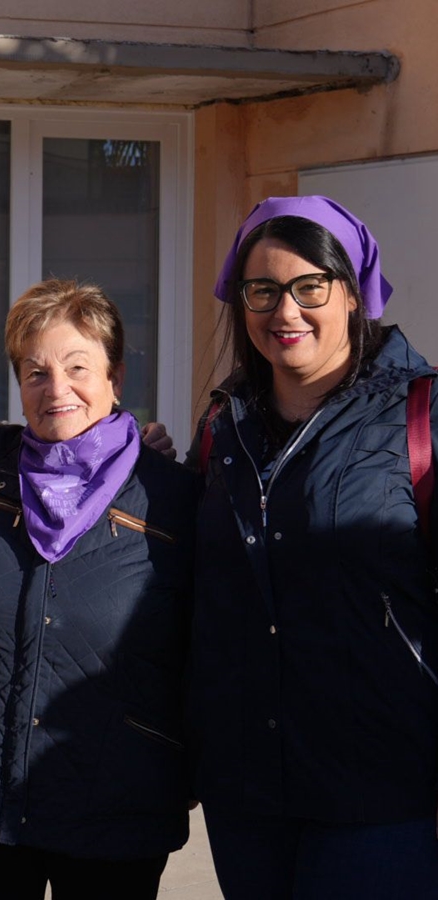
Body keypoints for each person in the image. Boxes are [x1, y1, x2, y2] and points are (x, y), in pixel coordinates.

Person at [189, 195, 438, 899]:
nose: (286, 311)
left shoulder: (421, 417)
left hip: (382, 792)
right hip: (248, 792)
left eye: (310, 287)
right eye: (263, 290)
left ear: (355, 294)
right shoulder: (223, 427)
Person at [0, 280, 196, 899]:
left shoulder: (171, 495)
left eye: (78, 367)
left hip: (117, 801)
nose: (57, 389)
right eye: (35, 371)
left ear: (115, 378)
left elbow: (208, 643)